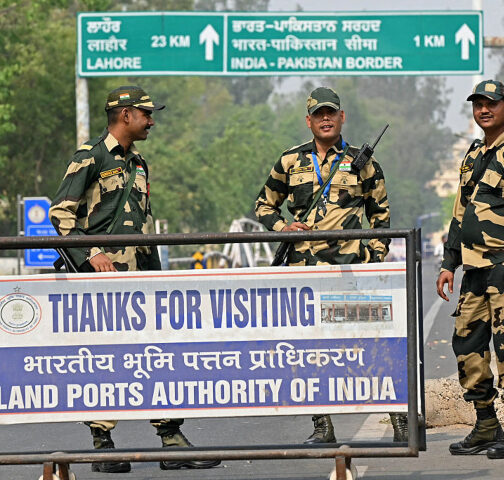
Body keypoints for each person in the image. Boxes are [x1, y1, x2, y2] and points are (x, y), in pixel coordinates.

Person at [49, 86, 219, 473]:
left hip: (144, 279)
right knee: (106, 359)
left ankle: (171, 440)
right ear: (125, 115)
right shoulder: (89, 158)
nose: (152, 121)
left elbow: (143, 223)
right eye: (146, 114)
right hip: (103, 283)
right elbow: (60, 214)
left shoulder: (140, 163)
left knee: (158, 355)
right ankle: (103, 445)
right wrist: (92, 253)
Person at [255, 86, 407, 443]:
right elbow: (264, 205)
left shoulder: (362, 162)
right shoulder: (290, 161)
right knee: (309, 351)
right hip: (306, 273)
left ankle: (399, 420)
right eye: (319, 114)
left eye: (331, 113)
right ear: (308, 121)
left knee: (374, 344)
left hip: (353, 274)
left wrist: (375, 257)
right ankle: (322, 426)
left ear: (342, 118)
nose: (326, 119)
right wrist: (283, 227)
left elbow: (381, 217)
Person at [436, 80, 504, 459]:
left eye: (491, 104)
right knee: (467, 346)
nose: (484, 110)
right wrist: (449, 263)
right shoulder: (473, 154)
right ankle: (485, 425)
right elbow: (459, 214)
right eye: (478, 104)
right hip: (474, 272)